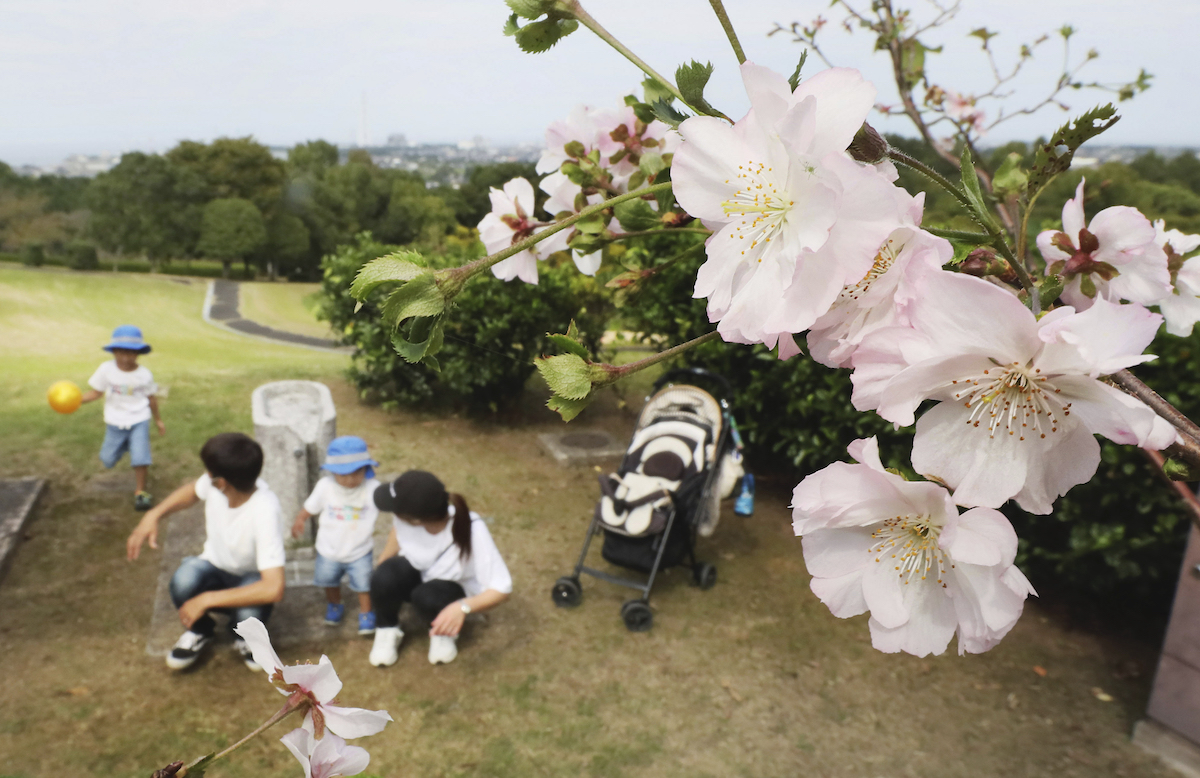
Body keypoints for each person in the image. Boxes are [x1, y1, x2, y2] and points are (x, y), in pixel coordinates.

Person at [127, 432, 285, 672]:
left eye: (209, 472)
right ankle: (201, 631)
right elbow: (192, 491)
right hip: (215, 566)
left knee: (248, 614)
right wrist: (154, 514)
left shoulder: (265, 510)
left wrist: (206, 599)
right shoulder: (220, 484)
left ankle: (246, 636)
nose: (205, 476)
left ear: (222, 482)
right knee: (183, 580)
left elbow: (273, 588)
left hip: (251, 578)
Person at [368, 470, 512, 667]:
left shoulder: (472, 528)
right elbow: (398, 531)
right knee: (383, 575)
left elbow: (502, 589)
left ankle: (443, 632)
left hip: (449, 589)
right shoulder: (405, 519)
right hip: (421, 572)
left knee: (426, 595)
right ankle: (387, 629)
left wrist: (461, 607)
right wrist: (384, 562)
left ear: (416, 520)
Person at [291, 436, 381, 636]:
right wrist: (300, 519)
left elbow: (390, 503)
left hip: (360, 550)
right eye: (343, 475)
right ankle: (334, 604)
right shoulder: (325, 486)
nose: (349, 480)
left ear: (365, 469)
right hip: (328, 550)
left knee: (364, 584)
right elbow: (310, 506)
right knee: (329, 581)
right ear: (332, 472)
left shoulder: (372, 488)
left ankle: (366, 612)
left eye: (356, 473)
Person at [80, 325, 165, 511]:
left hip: (139, 419)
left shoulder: (144, 375)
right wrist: (77, 400)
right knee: (107, 460)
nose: (125, 358)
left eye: (131, 353)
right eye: (121, 352)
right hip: (115, 421)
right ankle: (128, 445)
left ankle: (140, 492)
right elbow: (96, 393)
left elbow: (151, 398)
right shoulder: (105, 370)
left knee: (141, 457)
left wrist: (158, 420)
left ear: (138, 354)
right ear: (114, 352)